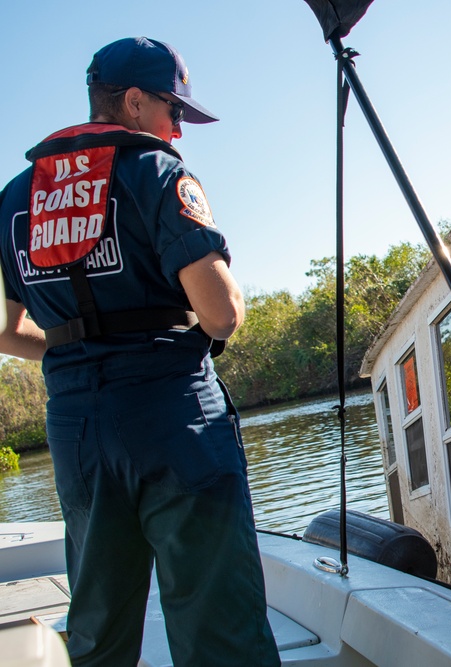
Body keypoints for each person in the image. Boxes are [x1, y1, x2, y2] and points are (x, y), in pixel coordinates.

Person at [0, 37, 280, 667]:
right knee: (220, 632)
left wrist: (74, 353)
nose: (177, 129)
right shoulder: (156, 172)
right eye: (173, 110)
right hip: (172, 411)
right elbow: (222, 313)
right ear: (131, 101)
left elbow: (1, 330)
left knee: (99, 631)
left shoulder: (15, 198)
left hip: (75, 430)